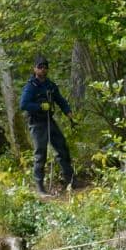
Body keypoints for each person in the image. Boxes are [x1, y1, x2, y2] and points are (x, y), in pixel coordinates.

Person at [19, 56, 75, 195]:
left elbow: (60, 100)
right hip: (37, 124)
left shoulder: (50, 85)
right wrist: (39, 106)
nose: (43, 69)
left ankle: (70, 180)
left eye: (45, 67)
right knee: (40, 154)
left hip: (50, 121)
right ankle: (40, 187)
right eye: (40, 67)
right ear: (35, 69)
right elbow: (23, 105)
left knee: (62, 148)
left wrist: (68, 112)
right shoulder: (31, 86)